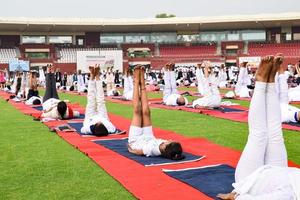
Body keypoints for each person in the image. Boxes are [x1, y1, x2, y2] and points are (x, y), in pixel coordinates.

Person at [217, 55, 300, 200]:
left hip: (250, 179)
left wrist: (237, 197)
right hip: (279, 171)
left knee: (259, 135)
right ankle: (271, 80)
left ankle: (261, 81)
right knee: (275, 133)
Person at [127, 65, 185, 160]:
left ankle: (137, 81)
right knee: (146, 112)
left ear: (164, 148)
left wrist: (131, 148)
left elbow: (138, 151)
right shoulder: (165, 148)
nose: (169, 140)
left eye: (169, 142)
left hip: (136, 140)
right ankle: (142, 83)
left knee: (137, 111)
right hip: (149, 137)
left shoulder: (154, 150)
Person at [81, 65, 117, 136]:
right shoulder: (110, 128)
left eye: (98, 123)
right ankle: (97, 75)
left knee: (91, 99)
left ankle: (92, 75)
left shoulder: (87, 128)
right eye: (101, 123)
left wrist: (92, 128)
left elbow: (82, 130)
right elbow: (113, 129)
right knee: (100, 100)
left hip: (90, 118)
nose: (99, 122)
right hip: (103, 117)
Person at [275, 56, 300, 124]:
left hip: (276, 109)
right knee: (283, 86)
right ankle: (278, 64)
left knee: (276, 86)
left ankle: (277, 65)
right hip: (284, 105)